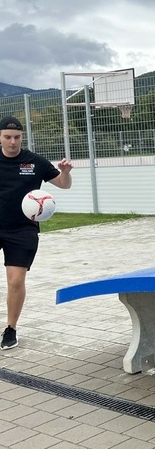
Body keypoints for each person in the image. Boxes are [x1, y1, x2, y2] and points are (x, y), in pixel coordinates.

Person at [0, 116, 73, 350]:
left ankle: (10, 329)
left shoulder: (35, 162)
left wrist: (65, 172)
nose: (13, 142)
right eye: (8, 137)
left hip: (22, 230)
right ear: (0, 137)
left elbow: (63, 184)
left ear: (23, 137)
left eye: (17, 137)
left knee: (16, 280)